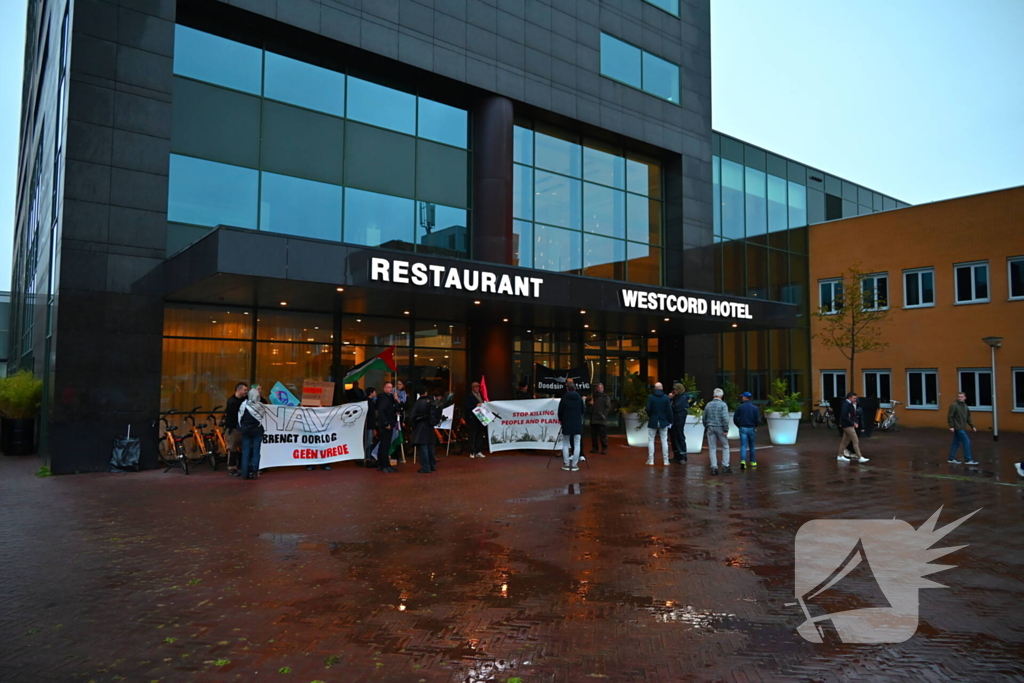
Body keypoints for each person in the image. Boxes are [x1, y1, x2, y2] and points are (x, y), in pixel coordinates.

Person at [237, 384, 265, 480]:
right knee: (256, 452)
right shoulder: (260, 406)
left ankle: (245, 473)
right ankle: (254, 472)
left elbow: (240, 417)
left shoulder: (243, 405)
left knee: (246, 452)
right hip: (257, 431)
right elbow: (262, 417)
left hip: (246, 431)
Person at [411, 386, 441, 473]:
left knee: (423, 446)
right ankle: (432, 465)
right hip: (430, 426)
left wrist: (414, 425)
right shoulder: (432, 402)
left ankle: (425, 467)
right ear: (426, 392)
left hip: (421, 426)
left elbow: (412, 416)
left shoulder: (418, 403)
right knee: (430, 446)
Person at [558, 379, 586, 471]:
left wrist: (561, 420)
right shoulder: (579, 398)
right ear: (575, 388)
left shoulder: (564, 398)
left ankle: (566, 464)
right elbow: (583, 410)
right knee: (577, 443)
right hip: (577, 423)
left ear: (567, 389)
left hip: (566, 422)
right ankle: (574, 465)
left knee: (565, 443)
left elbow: (560, 411)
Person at [703, 388, 731, 475]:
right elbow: (725, 418)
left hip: (710, 427)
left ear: (713, 395)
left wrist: (706, 426)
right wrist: (726, 429)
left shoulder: (708, 404)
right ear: (721, 396)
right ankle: (725, 466)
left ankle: (714, 468)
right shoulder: (723, 405)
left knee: (712, 448)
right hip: (720, 427)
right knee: (725, 446)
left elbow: (704, 418)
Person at [947, 391, 979, 465]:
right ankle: (968, 459)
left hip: (962, 427)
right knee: (966, 442)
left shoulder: (965, 406)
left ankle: (951, 458)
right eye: (959, 396)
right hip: (958, 427)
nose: (960, 398)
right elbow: (950, 416)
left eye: (961, 397)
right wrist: (951, 426)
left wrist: (972, 426)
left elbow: (968, 417)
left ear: (965, 398)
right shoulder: (954, 406)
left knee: (956, 443)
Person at [645, 382, 673, 466]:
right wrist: (670, 420)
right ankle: (666, 460)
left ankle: (651, 460)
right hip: (663, 421)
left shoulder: (651, 397)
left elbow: (648, 408)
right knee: (664, 440)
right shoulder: (665, 398)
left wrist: (651, 415)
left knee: (651, 440)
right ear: (662, 388)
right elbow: (669, 410)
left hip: (653, 420)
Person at [224, 382, 248, 477]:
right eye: (245, 390)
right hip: (233, 428)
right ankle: (232, 468)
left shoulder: (244, 400)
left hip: (242, 428)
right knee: (232, 448)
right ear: (239, 390)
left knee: (243, 448)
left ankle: (241, 466)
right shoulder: (232, 402)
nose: (246, 392)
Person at [837, 392, 869, 463]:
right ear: (849, 398)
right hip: (848, 425)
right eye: (854, 398)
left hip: (847, 424)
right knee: (855, 440)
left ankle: (840, 455)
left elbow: (850, 415)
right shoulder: (846, 405)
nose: (855, 399)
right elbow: (844, 416)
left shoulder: (847, 404)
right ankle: (860, 457)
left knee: (845, 441)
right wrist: (853, 423)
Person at [733, 391, 760, 470]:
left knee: (743, 445)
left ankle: (743, 461)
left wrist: (739, 426)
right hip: (751, 428)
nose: (742, 397)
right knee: (752, 445)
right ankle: (753, 462)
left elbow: (735, 418)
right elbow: (758, 419)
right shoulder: (755, 408)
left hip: (742, 427)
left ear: (745, 397)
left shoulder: (740, 407)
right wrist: (755, 426)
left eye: (742, 396)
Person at [376, 382, 399, 473]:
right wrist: (386, 423)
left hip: (388, 423)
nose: (390, 389)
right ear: (384, 388)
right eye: (388, 387)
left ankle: (382, 464)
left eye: (391, 387)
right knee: (385, 445)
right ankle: (384, 464)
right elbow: (382, 411)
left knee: (384, 444)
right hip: (386, 425)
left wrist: (395, 399)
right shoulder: (384, 399)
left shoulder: (388, 398)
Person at [463, 381, 486, 459]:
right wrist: (475, 405)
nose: (477, 388)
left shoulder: (481, 395)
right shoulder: (469, 396)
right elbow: (466, 406)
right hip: (473, 418)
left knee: (480, 434)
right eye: (476, 387)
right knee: (472, 435)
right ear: (472, 388)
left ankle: (478, 450)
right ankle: (472, 451)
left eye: (478, 387)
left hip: (480, 417)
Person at [589, 382, 611, 455]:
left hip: (601, 419)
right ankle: (595, 448)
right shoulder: (593, 396)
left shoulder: (605, 397)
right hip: (594, 418)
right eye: (598, 387)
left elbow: (608, 407)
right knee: (594, 435)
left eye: (601, 388)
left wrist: (604, 415)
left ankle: (604, 447)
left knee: (603, 435)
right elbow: (589, 409)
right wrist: (591, 405)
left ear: (603, 389)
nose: (599, 389)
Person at [670, 382, 689, 463]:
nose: (674, 391)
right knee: (673, 437)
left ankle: (682, 456)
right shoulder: (678, 397)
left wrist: (671, 399)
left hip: (679, 420)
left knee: (679, 436)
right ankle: (677, 455)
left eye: (676, 390)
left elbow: (675, 407)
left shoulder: (683, 398)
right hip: (674, 420)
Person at [364, 387, 378, 460]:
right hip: (368, 425)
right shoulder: (368, 403)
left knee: (369, 442)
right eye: (374, 392)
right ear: (371, 393)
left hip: (371, 425)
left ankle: (367, 457)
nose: (376, 393)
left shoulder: (371, 402)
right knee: (368, 442)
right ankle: (366, 457)